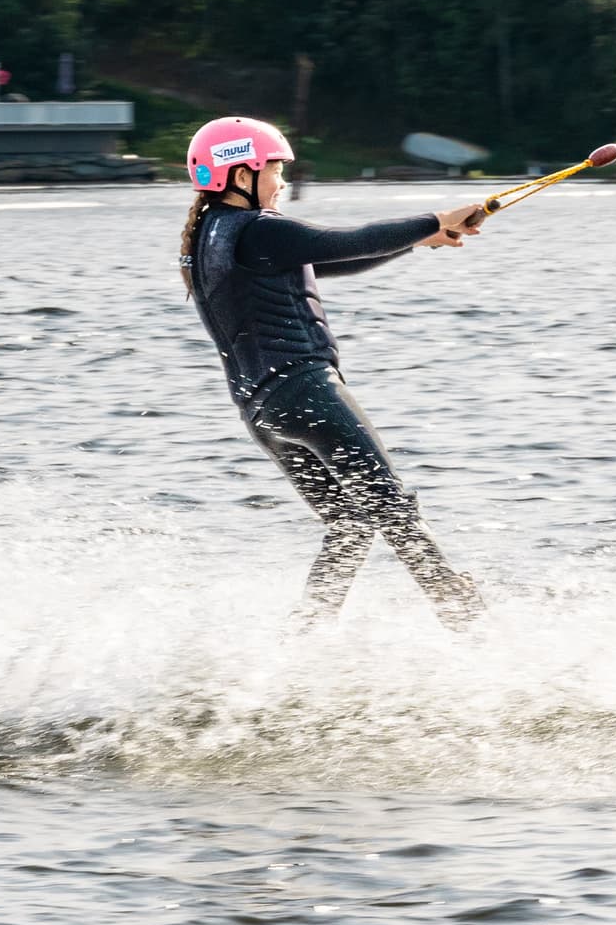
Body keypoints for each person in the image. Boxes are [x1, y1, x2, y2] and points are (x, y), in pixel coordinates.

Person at [180, 115, 497, 626]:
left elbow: (326, 262)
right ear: (240, 175)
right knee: (392, 507)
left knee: (351, 521)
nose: (282, 181)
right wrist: (434, 219)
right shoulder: (259, 230)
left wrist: (419, 241)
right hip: (306, 392)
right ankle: (459, 609)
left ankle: (306, 630)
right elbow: (345, 242)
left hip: (263, 414)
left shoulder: (210, 239)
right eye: (275, 169)